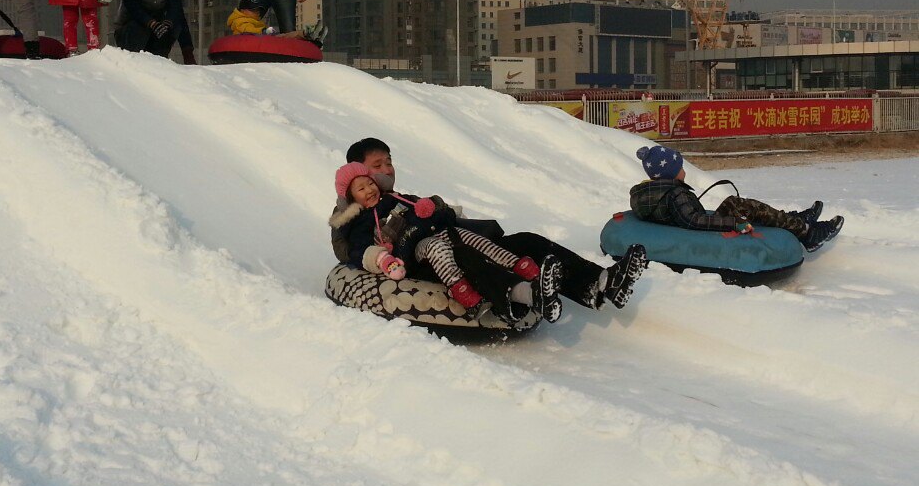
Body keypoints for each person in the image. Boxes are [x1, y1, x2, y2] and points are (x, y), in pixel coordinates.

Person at [331, 138, 649, 313]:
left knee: (527, 241)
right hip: (427, 265)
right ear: (358, 174)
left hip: (454, 241)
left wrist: (436, 208)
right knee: (468, 258)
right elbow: (350, 252)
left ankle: (601, 284)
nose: (387, 169)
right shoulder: (350, 216)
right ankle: (522, 296)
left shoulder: (403, 197)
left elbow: (444, 214)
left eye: (389, 161)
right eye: (378, 166)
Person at [330, 162, 563, 325]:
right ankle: (463, 292)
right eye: (360, 188)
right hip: (409, 252)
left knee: (471, 239)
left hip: (433, 231)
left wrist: (429, 206)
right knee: (436, 247)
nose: (369, 190)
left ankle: (525, 269)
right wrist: (384, 259)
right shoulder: (359, 221)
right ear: (351, 198)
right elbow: (360, 250)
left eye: (369, 183)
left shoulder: (394, 198)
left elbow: (426, 208)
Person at [630, 145, 844, 252]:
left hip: (689, 226)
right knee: (742, 207)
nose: (684, 170)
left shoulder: (653, 193)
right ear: (671, 172)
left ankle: (791, 220)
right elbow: (692, 220)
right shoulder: (674, 194)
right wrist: (733, 222)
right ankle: (808, 233)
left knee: (735, 203)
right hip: (699, 235)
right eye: (681, 167)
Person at [226, 0, 327, 45]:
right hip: (252, 43)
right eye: (253, 10)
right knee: (285, 36)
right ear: (244, 11)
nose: (257, 12)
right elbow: (247, 30)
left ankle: (312, 39)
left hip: (261, 41)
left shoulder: (256, 21)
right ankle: (307, 33)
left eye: (258, 10)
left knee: (286, 36)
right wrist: (264, 31)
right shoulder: (239, 21)